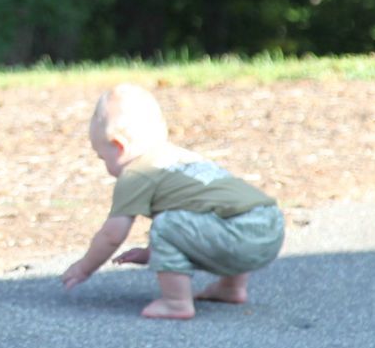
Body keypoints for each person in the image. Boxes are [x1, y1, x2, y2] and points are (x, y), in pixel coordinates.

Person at [62, 82, 286, 320]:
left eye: (102, 157)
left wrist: (84, 267)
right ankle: (231, 287)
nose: (104, 166)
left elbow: (112, 235)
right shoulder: (179, 157)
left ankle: (176, 302)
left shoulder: (136, 172)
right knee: (202, 218)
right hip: (270, 222)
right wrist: (152, 252)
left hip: (239, 234)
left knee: (166, 225)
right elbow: (198, 216)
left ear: (119, 147)